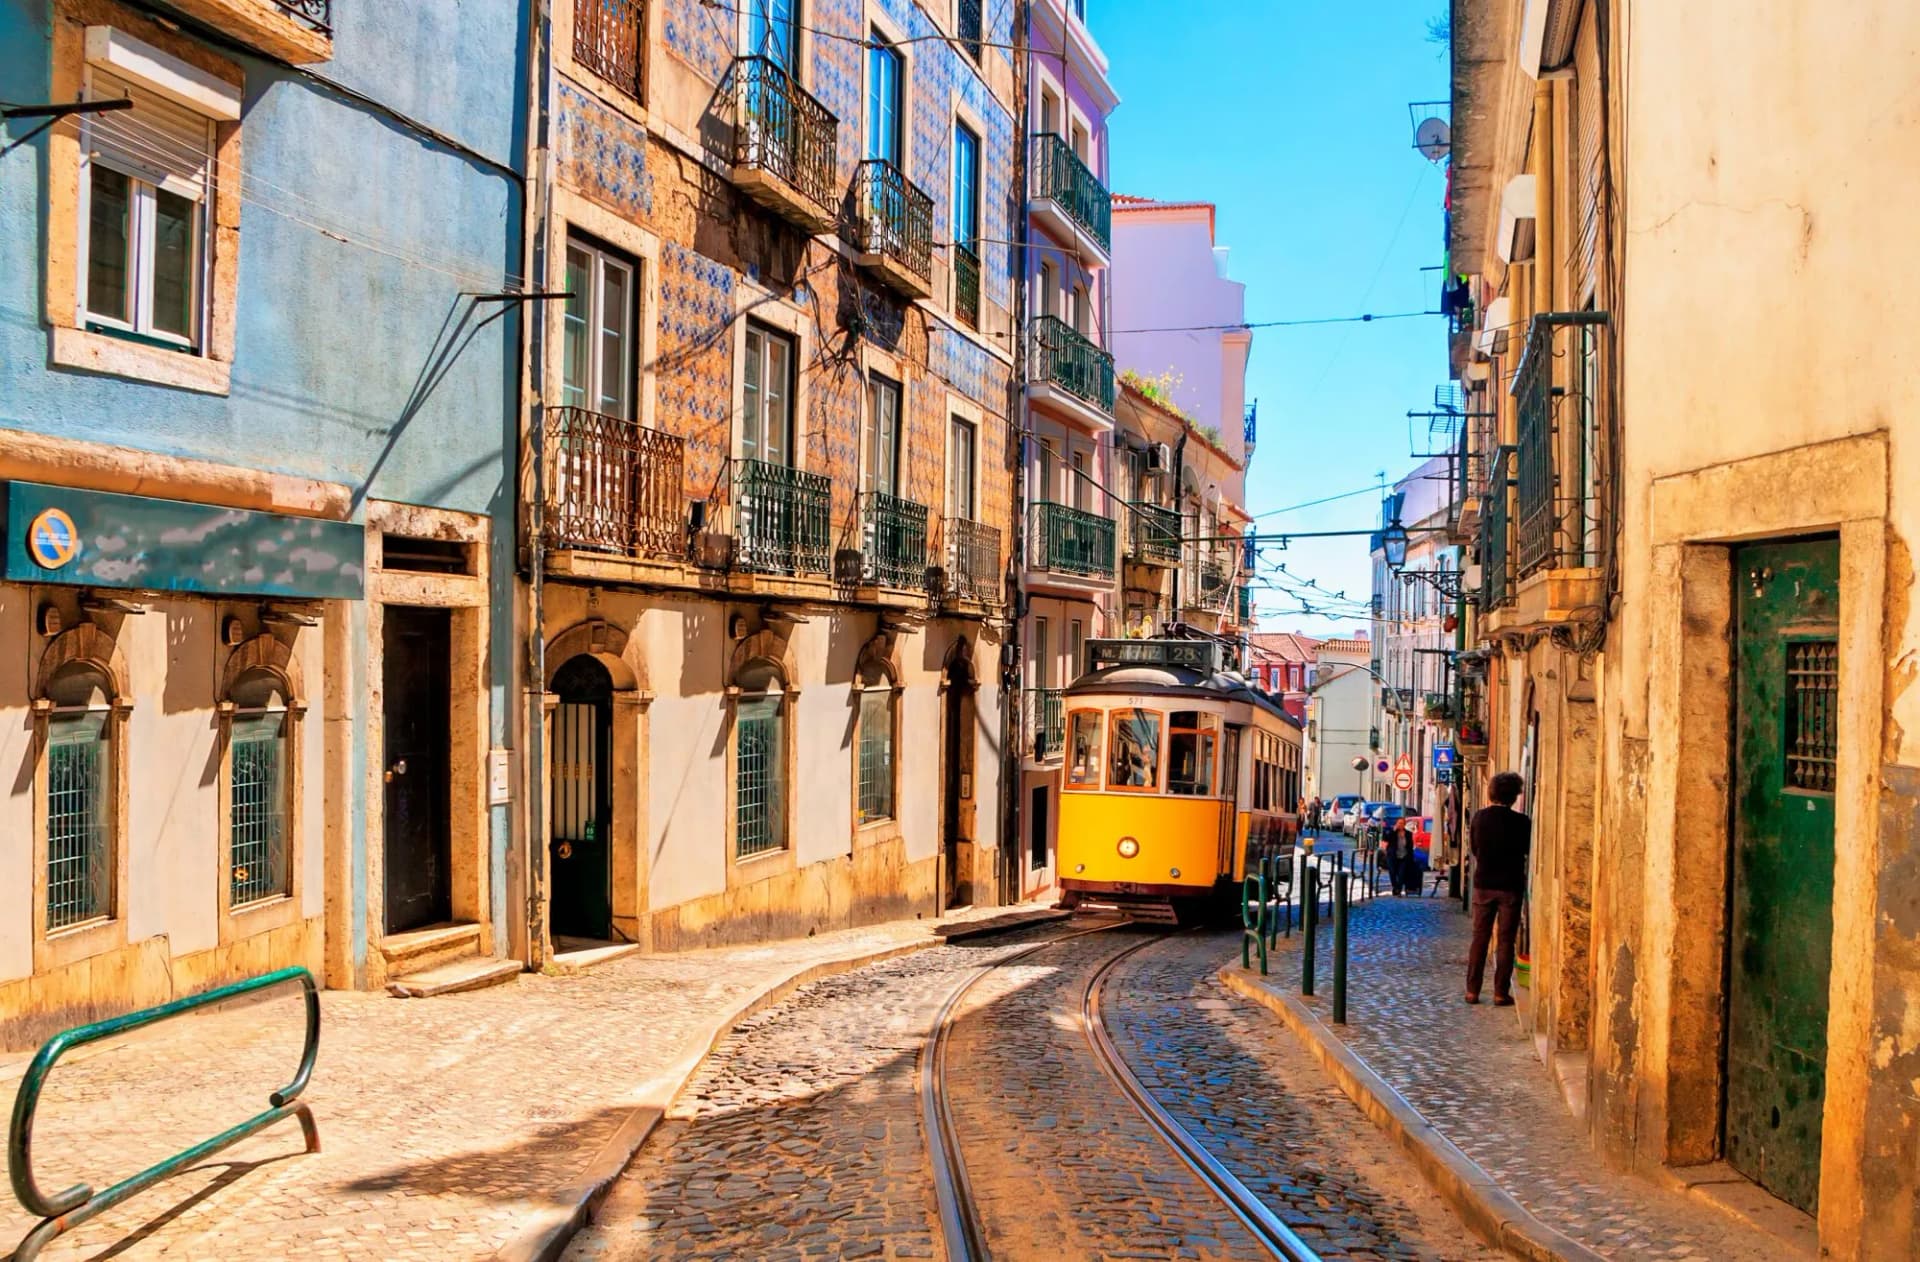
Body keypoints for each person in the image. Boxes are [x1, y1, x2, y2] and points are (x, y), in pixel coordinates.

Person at [1465, 771, 1530, 1005]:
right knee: (1506, 940)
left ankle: (1472, 991)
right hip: (1510, 887)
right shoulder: (1522, 822)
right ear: (1514, 795)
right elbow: (1525, 850)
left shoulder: (1480, 818)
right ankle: (1500, 993)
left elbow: (1474, 848)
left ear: (1492, 792)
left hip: (1484, 884)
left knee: (1479, 938)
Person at [1385, 817, 1418, 897]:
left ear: (1404, 825)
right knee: (1392, 873)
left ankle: (1398, 890)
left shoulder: (1408, 833)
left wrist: (1410, 856)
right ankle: (1395, 887)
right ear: (1396, 824)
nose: (1400, 825)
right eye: (1399, 823)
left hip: (1404, 856)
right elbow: (1386, 839)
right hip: (1393, 856)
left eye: (1402, 823)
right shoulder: (1392, 832)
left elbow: (1410, 846)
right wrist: (1393, 830)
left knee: (1401, 874)